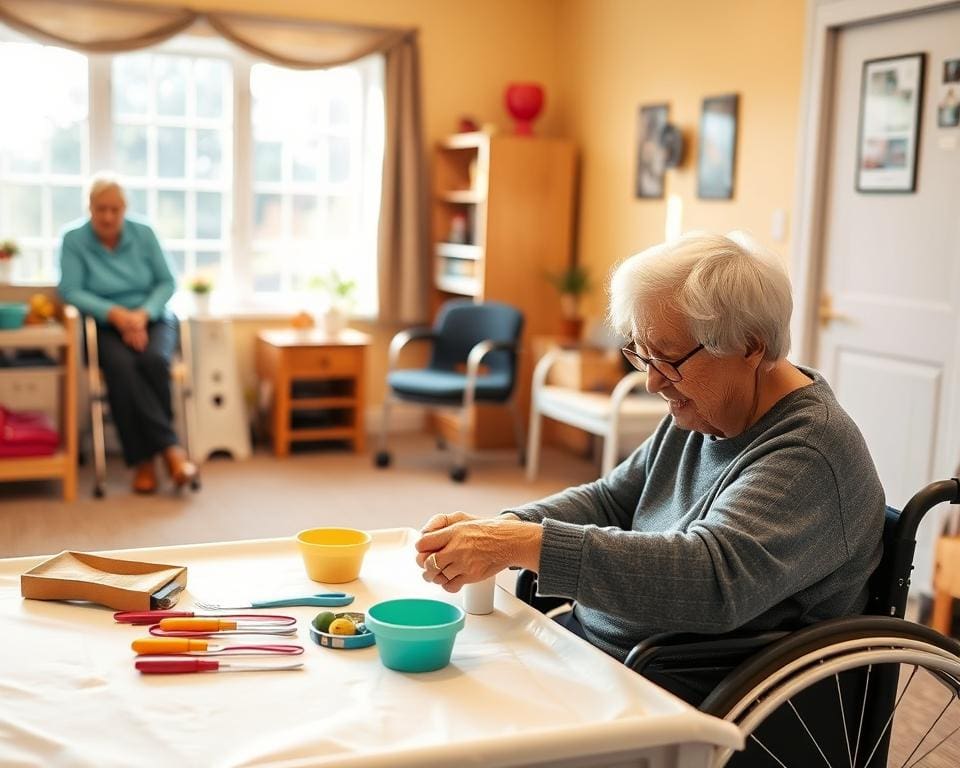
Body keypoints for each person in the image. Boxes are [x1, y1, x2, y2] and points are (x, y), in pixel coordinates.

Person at [415, 231, 885, 701]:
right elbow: (613, 499)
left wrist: (524, 544)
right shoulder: (710, 406)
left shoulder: (808, 453)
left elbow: (710, 580)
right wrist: (506, 527)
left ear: (750, 347)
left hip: (682, 685)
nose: (652, 381)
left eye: (669, 357)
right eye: (642, 353)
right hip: (605, 652)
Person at [58, 173, 196, 494]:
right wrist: (115, 314)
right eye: (101, 208)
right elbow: (71, 289)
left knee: (152, 362)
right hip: (105, 323)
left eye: (115, 209)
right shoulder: (73, 239)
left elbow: (167, 282)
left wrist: (141, 315)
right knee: (121, 368)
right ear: (89, 208)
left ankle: (152, 459)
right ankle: (162, 455)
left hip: (151, 316)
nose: (108, 216)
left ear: (125, 209)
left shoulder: (144, 233)